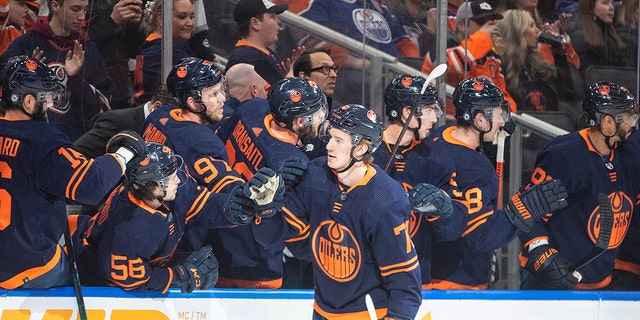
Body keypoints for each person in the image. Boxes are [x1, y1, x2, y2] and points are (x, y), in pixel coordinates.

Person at [248, 104, 422, 319]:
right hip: (322, 311)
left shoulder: (385, 201)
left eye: (339, 140)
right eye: (330, 137)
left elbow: (405, 282)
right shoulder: (316, 175)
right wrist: (266, 209)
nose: (329, 146)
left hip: (368, 314)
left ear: (360, 149)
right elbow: (271, 236)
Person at [0, 56, 146, 289]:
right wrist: (124, 153)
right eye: (44, 96)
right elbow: (92, 185)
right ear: (27, 102)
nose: (50, 102)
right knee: (93, 265)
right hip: (28, 267)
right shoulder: (43, 140)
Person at [74, 142, 285, 292]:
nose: (178, 179)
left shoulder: (172, 188)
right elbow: (129, 280)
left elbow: (201, 203)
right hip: (95, 276)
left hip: (144, 260)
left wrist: (237, 206)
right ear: (152, 187)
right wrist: (180, 276)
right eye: (170, 177)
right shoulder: (130, 227)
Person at [425, 77, 568, 289]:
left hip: (430, 271)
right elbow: (479, 236)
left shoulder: (438, 137)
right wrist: (522, 211)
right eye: (498, 114)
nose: (502, 121)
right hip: (460, 283)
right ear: (480, 120)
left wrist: (489, 150)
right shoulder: (477, 169)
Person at [518, 81, 640, 290]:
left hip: (601, 283)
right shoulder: (564, 156)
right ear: (608, 122)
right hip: (551, 282)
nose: (633, 124)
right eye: (628, 117)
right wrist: (542, 255)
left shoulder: (629, 154)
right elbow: (526, 209)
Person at [214, 77, 326, 289]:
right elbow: (293, 233)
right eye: (315, 114)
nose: (320, 118)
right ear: (299, 122)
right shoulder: (294, 164)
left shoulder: (253, 108)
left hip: (219, 232)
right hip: (255, 259)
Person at [372, 74, 465, 289]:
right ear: (407, 113)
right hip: (367, 277)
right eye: (430, 109)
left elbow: (452, 230)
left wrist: (443, 209)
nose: (435, 118)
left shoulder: (437, 157)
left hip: (415, 280)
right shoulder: (365, 152)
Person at [142, 57, 244, 250]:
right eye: (214, 94)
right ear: (194, 103)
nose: (222, 98)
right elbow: (229, 190)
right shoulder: (202, 142)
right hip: (177, 240)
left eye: (221, 90)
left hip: (147, 220)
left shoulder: (159, 116)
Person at [0, 0, 114, 141]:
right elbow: (5, 102)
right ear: (55, 6)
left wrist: (75, 79)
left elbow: (101, 111)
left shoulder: (87, 49)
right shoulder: (26, 43)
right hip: (30, 145)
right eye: (75, 9)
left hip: (75, 147)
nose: (82, 17)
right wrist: (27, 78)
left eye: (84, 10)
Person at [298, 0, 419, 106]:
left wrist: (415, 68)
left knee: (420, 88)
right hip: (354, 73)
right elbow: (312, 40)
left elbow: (403, 42)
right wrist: (359, 63)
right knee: (370, 86)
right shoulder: (322, 4)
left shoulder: (377, 7)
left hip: (392, 70)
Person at [422, 0, 517, 119]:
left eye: (491, 23)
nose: (488, 28)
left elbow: (503, 95)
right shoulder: (443, 43)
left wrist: (506, 113)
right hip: (442, 122)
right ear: (461, 25)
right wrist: (483, 36)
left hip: (479, 125)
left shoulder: (492, 56)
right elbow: (452, 66)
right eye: (482, 22)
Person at [497, 9, 582, 112]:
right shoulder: (501, 68)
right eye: (532, 26)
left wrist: (559, 58)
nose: (538, 30)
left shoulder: (539, 66)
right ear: (517, 32)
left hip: (549, 123)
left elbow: (567, 94)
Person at [74, 84, 174, 159]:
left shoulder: (171, 133)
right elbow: (75, 153)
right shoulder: (117, 121)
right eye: (176, 116)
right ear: (157, 107)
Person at [133, 0, 200, 105]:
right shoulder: (167, 51)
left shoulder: (152, 44)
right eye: (182, 16)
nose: (190, 23)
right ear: (161, 18)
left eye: (192, 17)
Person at [85, 0, 146, 109]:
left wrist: (134, 24)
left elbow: (134, 51)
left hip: (122, 86)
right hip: (89, 84)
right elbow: (79, 43)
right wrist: (112, 22)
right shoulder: (79, 5)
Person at [226, 0, 301, 78]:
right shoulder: (245, 57)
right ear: (255, 23)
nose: (278, 22)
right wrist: (291, 74)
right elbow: (269, 89)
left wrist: (290, 73)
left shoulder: (267, 53)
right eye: (272, 17)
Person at [567, 0, 628, 73]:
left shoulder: (612, 33)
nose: (611, 7)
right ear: (591, 7)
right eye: (605, 3)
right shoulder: (579, 35)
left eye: (612, 3)